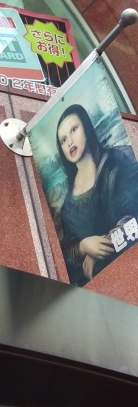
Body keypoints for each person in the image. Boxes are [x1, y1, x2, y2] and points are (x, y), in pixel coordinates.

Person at [53, 103, 138, 286]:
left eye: (74, 129)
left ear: (86, 127)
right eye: (63, 140)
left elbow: (132, 215)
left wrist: (97, 253)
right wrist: (83, 247)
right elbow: (66, 254)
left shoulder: (115, 163)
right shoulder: (67, 206)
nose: (70, 142)